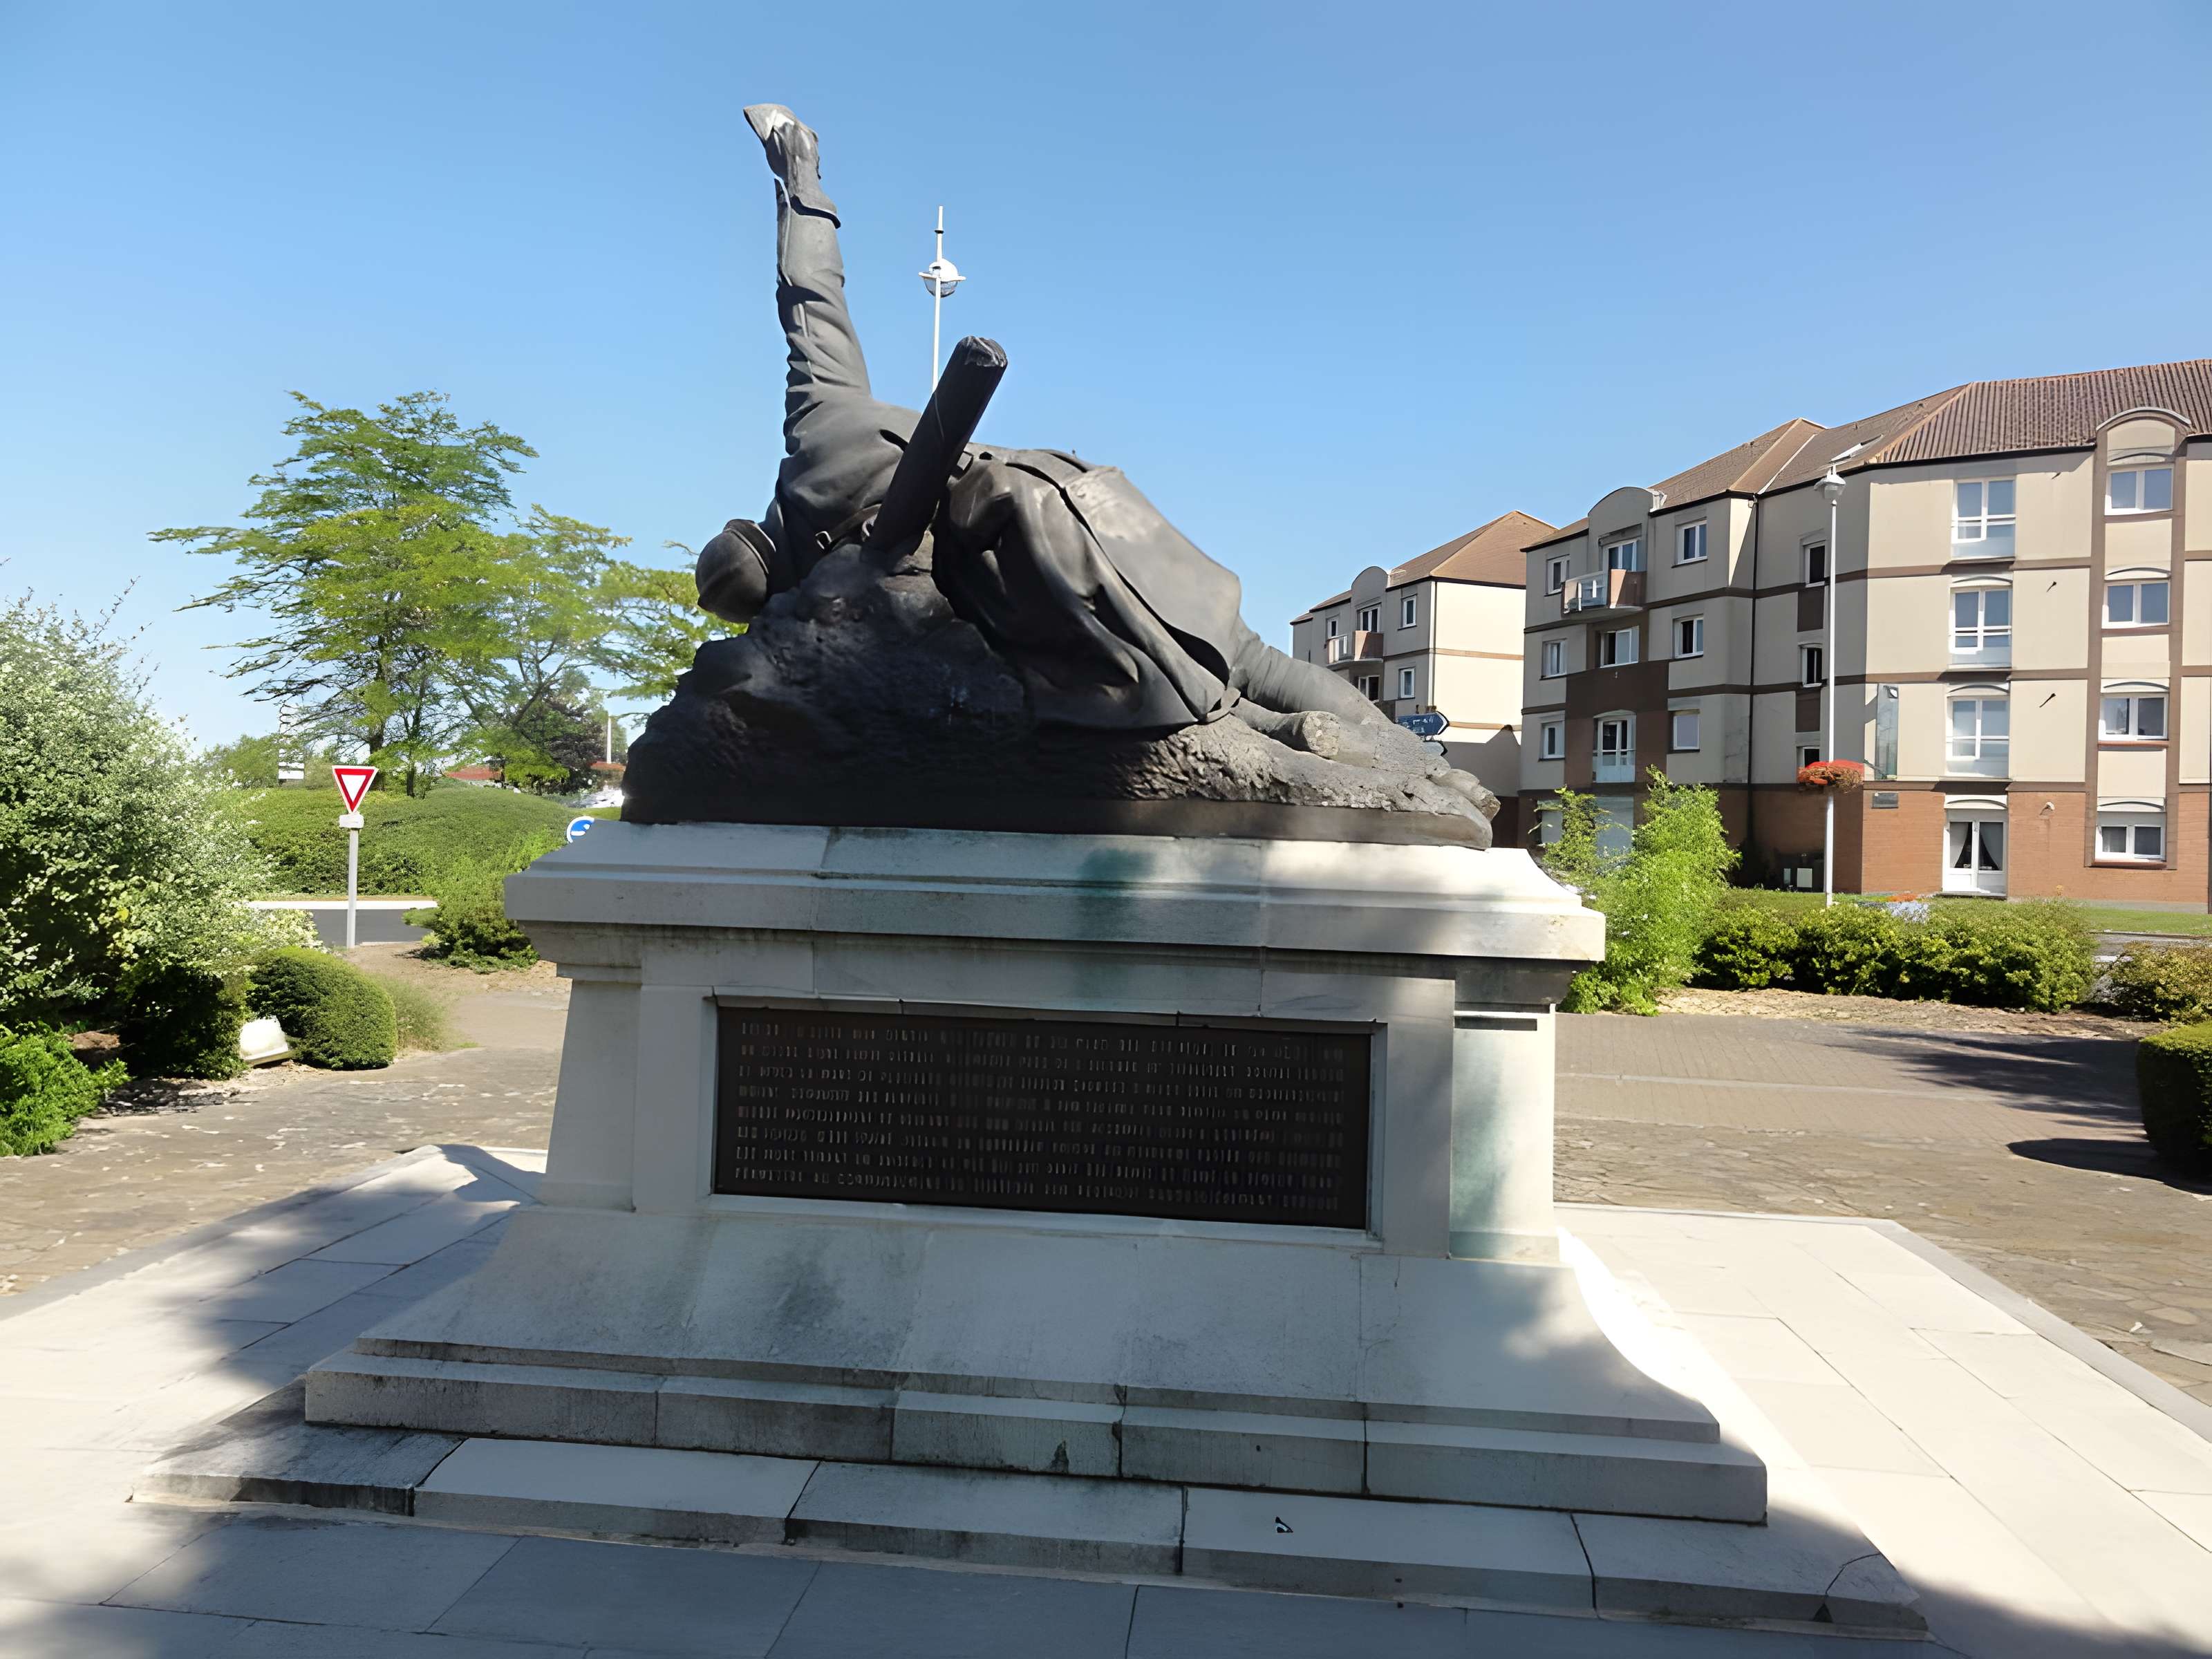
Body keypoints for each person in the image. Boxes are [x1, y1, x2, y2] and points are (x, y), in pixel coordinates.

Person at [697, 104, 1491, 805]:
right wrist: (801, 177)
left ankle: (1302, 739)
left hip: (1028, 557)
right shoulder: (817, 418)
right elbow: (810, 296)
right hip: (1073, 489)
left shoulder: (838, 586)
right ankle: (1416, 765)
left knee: (1198, 694)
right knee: (1243, 650)